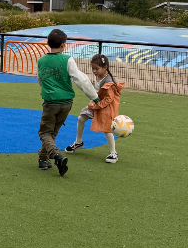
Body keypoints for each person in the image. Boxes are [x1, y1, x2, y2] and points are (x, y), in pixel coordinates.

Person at [36, 29, 99, 176]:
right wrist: (94, 96)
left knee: (44, 132)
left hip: (50, 102)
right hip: (66, 103)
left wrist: (49, 89)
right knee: (54, 131)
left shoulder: (41, 61)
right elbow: (81, 79)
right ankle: (43, 158)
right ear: (63, 45)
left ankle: (57, 156)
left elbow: (40, 79)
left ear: (47, 43)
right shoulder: (68, 60)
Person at [65, 53, 126, 163]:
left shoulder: (108, 82)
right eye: (92, 68)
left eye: (96, 69)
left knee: (107, 129)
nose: (94, 71)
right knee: (81, 118)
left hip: (105, 107)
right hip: (96, 103)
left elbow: (108, 99)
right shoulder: (99, 76)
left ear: (105, 68)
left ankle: (113, 153)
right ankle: (78, 142)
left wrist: (95, 105)